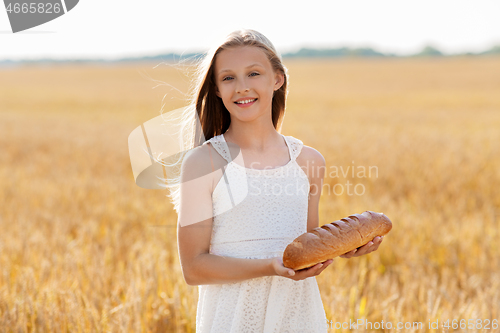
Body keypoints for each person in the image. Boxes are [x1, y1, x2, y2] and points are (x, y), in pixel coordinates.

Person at [174, 29, 384, 332]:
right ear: (217, 89)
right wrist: (270, 267)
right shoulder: (202, 163)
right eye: (229, 78)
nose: (242, 88)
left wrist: (345, 247)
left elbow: (308, 246)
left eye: (254, 73)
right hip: (232, 318)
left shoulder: (309, 161)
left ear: (277, 79)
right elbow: (194, 268)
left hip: (297, 316)